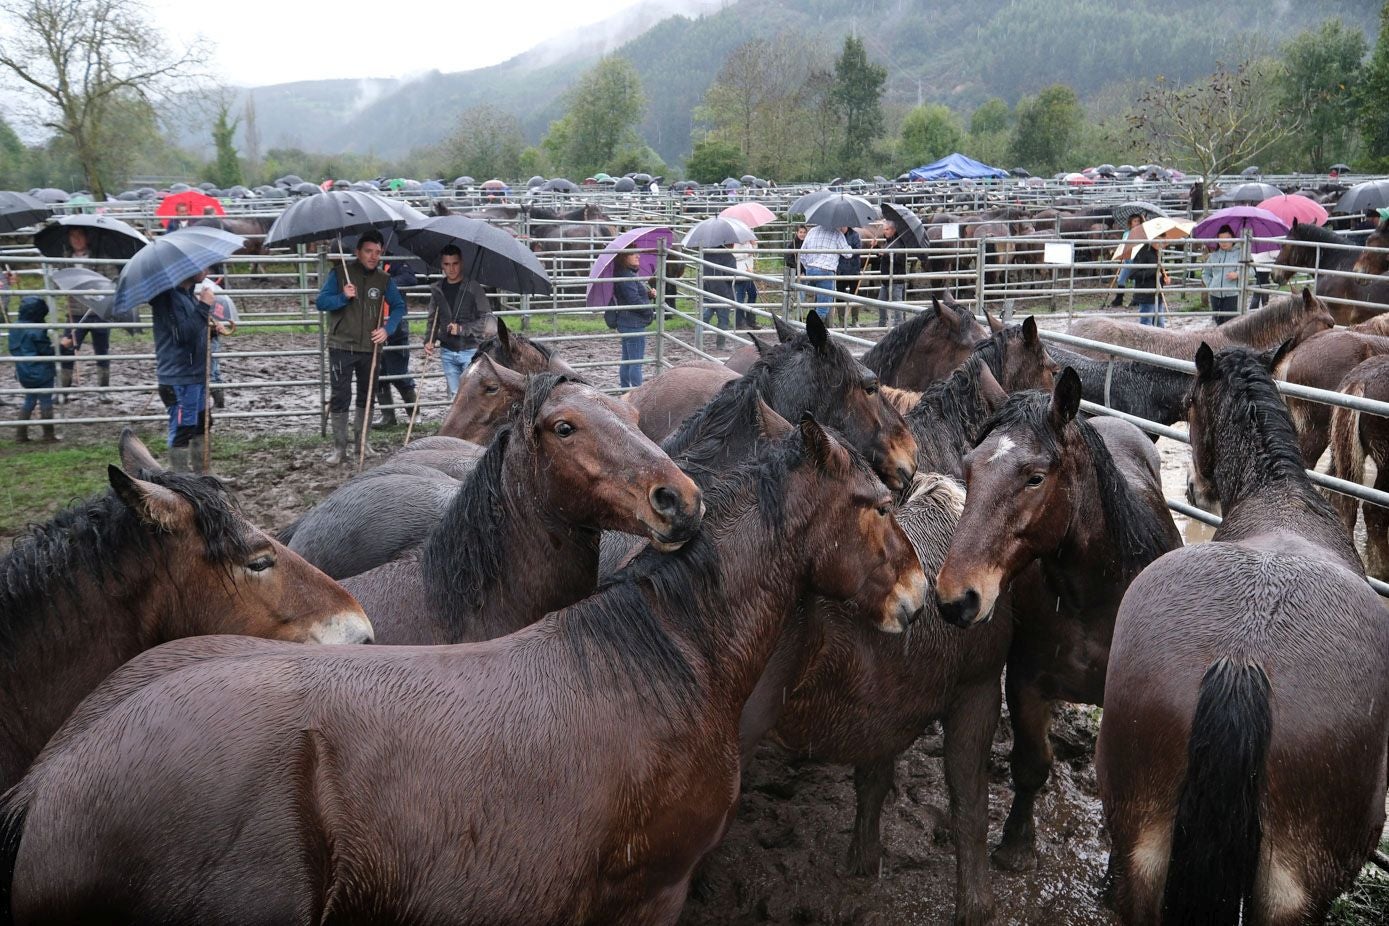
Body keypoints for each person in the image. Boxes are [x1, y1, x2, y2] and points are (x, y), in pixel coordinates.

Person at [314, 230, 407, 465]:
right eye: (368, 251)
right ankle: (339, 447)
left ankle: (362, 442)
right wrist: (342, 297)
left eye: (378, 252)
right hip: (341, 346)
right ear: (358, 252)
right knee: (340, 396)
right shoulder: (339, 274)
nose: (373, 256)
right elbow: (321, 302)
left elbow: (398, 307)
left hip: (371, 348)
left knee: (367, 396)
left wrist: (387, 329)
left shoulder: (384, 280)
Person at [150, 271, 222, 472]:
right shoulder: (167, 299)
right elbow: (182, 335)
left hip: (195, 375)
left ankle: (202, 475)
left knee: (202, 424)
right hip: (179, 378)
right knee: (183, 428)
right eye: (201, 267)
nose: (206, 271)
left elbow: (193, 329)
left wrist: (211, 330)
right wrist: (204, 305)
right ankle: (180, 481)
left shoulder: (186, 294)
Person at [424, 244, 494, 399]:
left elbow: (487, 319)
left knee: (472, 395)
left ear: (461, 263)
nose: (451, 269)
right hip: (447, 350)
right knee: (455, 396)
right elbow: (433, 317)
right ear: (442, 265)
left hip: (470, 349)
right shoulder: (437, 289)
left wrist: (462, 329)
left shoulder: (474, 288)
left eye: (455, 263)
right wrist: (429, 340)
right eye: (447, 264)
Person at [56, 226, 113, 404]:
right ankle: (63, 390)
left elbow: (112, 279)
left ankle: (103, 390)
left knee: (102, 351)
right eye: (72, 236)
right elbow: (57, 283)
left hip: (98, 312)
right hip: (74, 313)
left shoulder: (100, 258)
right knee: (66, 349)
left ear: (86, 238)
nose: (76, 239)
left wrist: (100, 288)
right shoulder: (65, 261)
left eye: (79, 235)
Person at [372, 251, 419, 429]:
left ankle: (414, 413)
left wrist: (386, 282)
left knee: (398, 372)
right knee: (378, 373)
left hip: (396, 327)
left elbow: (410, 278)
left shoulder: (397, 260)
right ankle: (388, 415)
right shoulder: (370, 264)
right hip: (374, 326)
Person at [8, 296, 59, 442]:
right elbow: (45, 351)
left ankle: (20, 434)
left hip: (23, 371)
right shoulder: (37, 330)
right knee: (45, 401)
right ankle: (48, 434)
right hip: (41, 372)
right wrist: (59, 347)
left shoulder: (14, 328)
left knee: (29, 400)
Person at [611, 250, 655, 389]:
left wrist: (647, 294)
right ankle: (637, 392)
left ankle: (625, 390)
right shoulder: (627, 276)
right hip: (634, 323)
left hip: (627, 321)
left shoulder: (625, 274)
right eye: (633, 254)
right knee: (635, 363)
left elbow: (631, 296)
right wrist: (649, 310)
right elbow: (633, 300)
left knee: (627, 360)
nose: (638, 256)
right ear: (624, 257)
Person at [193, 278, 239, 408]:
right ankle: (217, 401)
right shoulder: (200, 297)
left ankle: (217, 401)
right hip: (204, 337)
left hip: (209, 337)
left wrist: (215, 328)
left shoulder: (209, 299)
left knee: (211, 370)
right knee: (212, 369)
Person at [1202, 225, 1250, 326]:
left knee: (1230, 324)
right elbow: (1205, 272)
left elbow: (1251, 271)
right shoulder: (1213, 256)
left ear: (1233, 239)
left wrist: (1238, 274)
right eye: (1220, 240)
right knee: (1218, 323)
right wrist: (1211, 285)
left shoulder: (1241, 254)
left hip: (1232, 295)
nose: (1223, 243)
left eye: (1227, 239)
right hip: (1215, 295)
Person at [800, 223, 847, 320]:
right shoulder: (837, 234)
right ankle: (813, 329)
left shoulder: (812, 231)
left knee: (818, 298)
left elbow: (802, 253)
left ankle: (816, 324)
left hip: (811, 271)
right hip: (826, 271)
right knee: (823, 306)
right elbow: (847, 254)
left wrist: (808, 267)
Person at [876, 219, 910, 327]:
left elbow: (899, 261)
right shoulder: (889, 242)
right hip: (886, 279)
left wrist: (885, 254)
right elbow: (883, 256)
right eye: (884, 229)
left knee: (897, 304)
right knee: (881, 301)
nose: (884, 231)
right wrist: (877, 248)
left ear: (893, 230)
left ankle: (899, 325)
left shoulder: (900, 243)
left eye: (887, 229)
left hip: (896, 279)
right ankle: (882, 323)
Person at [1129, 238, 1169, 328]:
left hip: (1157, 293)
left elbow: (1159, 272)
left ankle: (1159, 342)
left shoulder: (1157, 253)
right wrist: (1153, 272)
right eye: (1162, 240)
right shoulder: (1142, 253)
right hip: (1146, 294)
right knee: (1146, 324)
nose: (1165, 243)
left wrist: (1164, 277)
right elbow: (1133, 274)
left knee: (1160, 324)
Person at [702, 246, 736, 349]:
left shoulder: (705, 254)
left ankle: (698, 337)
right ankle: (720, 344)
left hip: (708, 289)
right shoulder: (729, 256)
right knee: (723, 319)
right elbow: (730, 275)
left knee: (706, 315)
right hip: (723, 292)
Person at [1109, 212, 1145, 308]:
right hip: (1127, 259)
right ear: (1131, 222)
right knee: (1121, 279)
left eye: (1138, 221)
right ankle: (1119, 298)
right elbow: (1123, 244)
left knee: (1136, 280)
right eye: (1135, 221)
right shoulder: (1126, 233)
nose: (1136, 223)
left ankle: (1136, 299)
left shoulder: (1142, 233)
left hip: (1137, 260)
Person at [835, 225, 863, 327]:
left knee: (854, 295)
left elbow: (858, 249)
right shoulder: (836, 235)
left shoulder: (855, 235)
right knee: (840, 296)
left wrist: (847, 251)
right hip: (840, 270)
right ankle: (842, 320)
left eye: (843, 225)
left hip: (853, 269)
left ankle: (855, 320)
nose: (841, 227)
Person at [732, 236, 760, 330]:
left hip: (749, 272)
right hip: (741, 273)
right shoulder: (737, 242)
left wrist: (754, 244)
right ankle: (740, 321)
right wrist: (746, 254)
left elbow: (754, 253)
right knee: (740, 298)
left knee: (753, 294)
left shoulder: (749, 241)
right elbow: (734, 255)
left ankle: (750, 320)